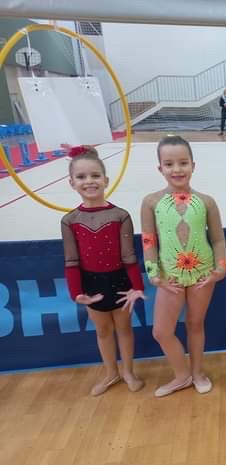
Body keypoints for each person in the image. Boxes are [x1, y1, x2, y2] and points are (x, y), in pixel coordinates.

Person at [141, 136, 226, 397]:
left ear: (193, 165)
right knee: (161, 331)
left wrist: (220, 268)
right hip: (170, 277)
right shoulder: (151, 202)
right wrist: (153, 273)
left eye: (183, 163)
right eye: (169, 164)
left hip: (202, 273)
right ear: (160, 168)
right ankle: (182, 375)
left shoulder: (207, 201)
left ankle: (198, 373)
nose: (177, 169)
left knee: (195, 324)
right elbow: (148, 239)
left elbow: (218, 239)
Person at [61, 146, 146, 396]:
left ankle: (128, 371)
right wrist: (76, 292)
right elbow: (71, 261)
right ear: (72, 183)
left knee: (124, 328)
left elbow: (129, 257)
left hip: (120, 281)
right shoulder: (70, 220)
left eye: (95, 175)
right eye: (81, 177)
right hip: (91, 283)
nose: (89, 181)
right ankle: (111, 373)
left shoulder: (120, 216)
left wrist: (137, 287)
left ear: (106, 180)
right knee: (102, 330)